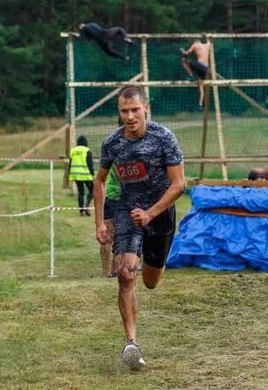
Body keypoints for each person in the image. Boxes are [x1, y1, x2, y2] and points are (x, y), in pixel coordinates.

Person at [93, 85, 185, 370]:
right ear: (119, 112)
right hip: (127, 211)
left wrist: (151, 213)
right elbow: (99, 180)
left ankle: (152, 261)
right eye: (124, 111)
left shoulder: (163, 138)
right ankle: (131, 344)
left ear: (146, 108)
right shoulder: (112, 143)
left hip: (160, 213)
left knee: (150, 281)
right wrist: (98, 221)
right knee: (124, 273)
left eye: (135, 110)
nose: (130, 116)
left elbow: (179, 184)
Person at [99, 117, 124, 278]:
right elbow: (120, 173)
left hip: (113, 197)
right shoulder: (118, 145)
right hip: (117, 197)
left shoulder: (112, 143)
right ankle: (108, 271)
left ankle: (111, 271)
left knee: (112, 236)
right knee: (110, 236)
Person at [180, 34, 212, 111]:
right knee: (201, 87)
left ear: (195, 41)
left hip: (199, 65)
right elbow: (209, 41)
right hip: (205, 68)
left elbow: (186, 54)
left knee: (183, 60)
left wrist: (182, 51)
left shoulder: (195, 45)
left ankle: (191, 75)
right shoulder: (207, 45)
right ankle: (200, 105)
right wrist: (206, 36)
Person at [69, 135, 94, 216]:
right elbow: (90, 164)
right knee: (92, 190)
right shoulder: (87, 151)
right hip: (86, 175)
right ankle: (86, 205)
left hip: (75, 175)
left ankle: (81, 211)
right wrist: (93, 174)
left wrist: (70, 173)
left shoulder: (73, 150)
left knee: (81, 192)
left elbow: (70, 163)